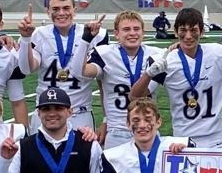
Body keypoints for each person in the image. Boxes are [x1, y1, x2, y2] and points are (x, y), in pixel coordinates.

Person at [132, 8, 222, 148]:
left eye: (193, 30)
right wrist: (149, 73)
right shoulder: (165, 60)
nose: (188, 36)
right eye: (183, 30)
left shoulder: (218, 53)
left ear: (202, 31)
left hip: (216, 137)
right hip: (182, 139)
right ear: (175, 31)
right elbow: (135, 96)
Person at [16, 0, 107, 133]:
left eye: (66, 8)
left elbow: (100, 79)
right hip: (46, 112)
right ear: (48, 12)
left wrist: (106, 119)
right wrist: (26, 38)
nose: (61, 13)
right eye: (55, 9)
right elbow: (27, 69)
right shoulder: (38, 34)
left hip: (79, 113)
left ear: (74, 10)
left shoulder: (95, 34)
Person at [69, 11, 164, 149]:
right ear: (116, 34)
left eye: (136, 29)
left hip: (148, 129)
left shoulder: (156, 54)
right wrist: (86, 39)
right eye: (126, 29)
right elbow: (78, 72)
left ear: (143, 32)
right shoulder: (105, 54)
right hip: (117, 132)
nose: (132, 33)